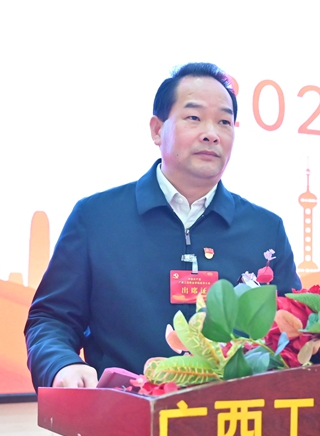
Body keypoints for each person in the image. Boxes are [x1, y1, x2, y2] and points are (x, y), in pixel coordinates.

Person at [25, 62, 301, 391]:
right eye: (194, 117)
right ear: (157, 130)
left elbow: (291, 330)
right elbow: (51, 319)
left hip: (235, 416)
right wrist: (61, 363)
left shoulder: (265, 229)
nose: (211, 133)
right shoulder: (96, 218)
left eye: (224, 122)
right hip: (123, 413)